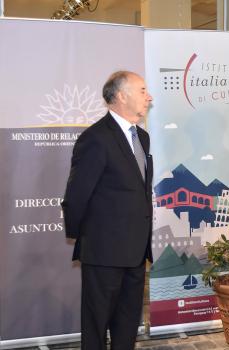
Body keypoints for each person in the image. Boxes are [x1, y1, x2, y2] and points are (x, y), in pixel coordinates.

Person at [62, 71, 154, 350]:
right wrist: (89, 240)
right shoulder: (96, 139)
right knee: (96, 324)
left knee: (127, 324)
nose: (148, 97)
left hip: (137, 251)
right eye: (142, 90)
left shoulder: (143, 138)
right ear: (121, 95)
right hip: (103, 252)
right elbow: (76, 197)